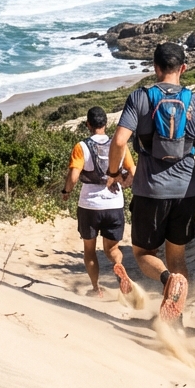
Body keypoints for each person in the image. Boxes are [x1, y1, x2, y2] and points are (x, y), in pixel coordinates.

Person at [108, 42, 195, 322]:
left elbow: (119, 141)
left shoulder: (140, 98)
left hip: (149, 191)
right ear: (183, 68)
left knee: (143, 253)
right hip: (185, 190)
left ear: (155, 68)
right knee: (178, 258)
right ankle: (176, 319)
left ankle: (165, 281)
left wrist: (115, 173)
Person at [61, 106, 138, 299]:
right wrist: (125, 184)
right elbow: (133, 171)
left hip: (90, 206)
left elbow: (74, 175)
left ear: (88, 124)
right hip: (114, 204)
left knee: (89, 250)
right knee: (112, 248)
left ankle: (96, 289)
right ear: (105, 123)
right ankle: (118, 265)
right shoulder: (118, 145)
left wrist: (66, 192)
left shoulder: (81, 146)